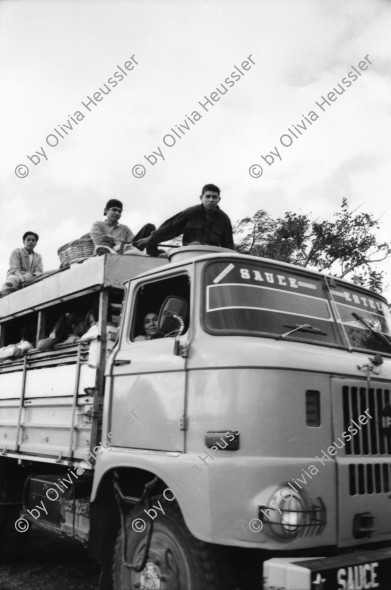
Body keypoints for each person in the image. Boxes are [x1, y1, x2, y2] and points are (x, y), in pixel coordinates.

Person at [135, 184, 235, 251]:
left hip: (212, 255)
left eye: (214, 197)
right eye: (208, 196)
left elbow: (229, 245)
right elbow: (170, 227)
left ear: (219, 199)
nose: (211, 200)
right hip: (190, 253)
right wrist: (151, 238)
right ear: (201, 198)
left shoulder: (224, 219)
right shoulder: (191, 213)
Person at [90, 199, 158, 257]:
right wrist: (118, 244)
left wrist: (125, 246)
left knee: (150, 227)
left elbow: (133, 243)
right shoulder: (98, 225)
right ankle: (112, 252)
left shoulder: (125, 228)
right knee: (106, 240)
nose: (117, 213)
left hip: (126, 249)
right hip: (107, 249)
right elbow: (98, 241)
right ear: (106, 210)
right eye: (114, 210)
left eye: (120, 211)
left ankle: (153, 256)